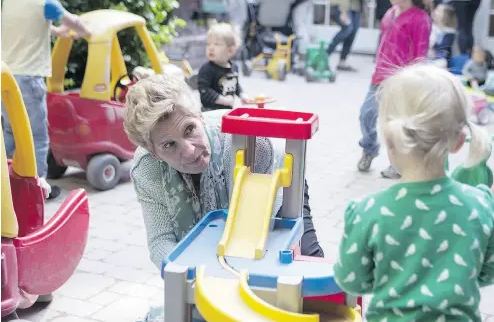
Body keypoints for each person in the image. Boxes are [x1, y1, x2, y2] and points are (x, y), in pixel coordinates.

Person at [125, 72, 324, 321]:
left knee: (308, 283)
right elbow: (160, 242)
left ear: (198, 115)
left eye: (189, 130)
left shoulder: (249, 145)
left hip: (280, 188)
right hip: (218, 218)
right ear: (153, 152)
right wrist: (191, 281)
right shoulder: (147, 168)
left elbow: (258, 235)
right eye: (169, 145)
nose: (188, 150)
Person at [334, 64, 494, 322]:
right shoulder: (480, 205)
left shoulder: (369, 211)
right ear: (457, 142)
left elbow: (351, 280)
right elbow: (488, 272)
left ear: (390, 140)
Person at [1, 0, 91, 198]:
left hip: (5, 78)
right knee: (37, 136)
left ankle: (5, 182)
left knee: (10, 132)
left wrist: (54, 32)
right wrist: (86, 31)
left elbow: (23, 25)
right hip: (29, 80)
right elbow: (72, 21)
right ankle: (37, 188)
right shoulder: (45, 2)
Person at [357, 0, 433, 179]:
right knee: (366, 114)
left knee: (398, 126)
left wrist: (417, 83)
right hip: (379, 77)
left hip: (402, 82)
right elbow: (384, 44)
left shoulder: (420, 19)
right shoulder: (391, 12)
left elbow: (420, 54)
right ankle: (369, 149)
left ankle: (399, 164)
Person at [197, 23, 252, 111]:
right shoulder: (207, 69)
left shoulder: (234, 67)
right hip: (210, 110)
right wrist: (222, 100)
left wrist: (242, 94)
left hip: (227, 110)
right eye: (208, 44)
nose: (211, 48)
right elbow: (204, 90)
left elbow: (235, 84)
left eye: (217, 44)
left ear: (230, 51)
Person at [429, 3, 457, 68]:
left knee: (441, 63)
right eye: (436, 9)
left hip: (439, 60)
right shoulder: (430, 27)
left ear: (446, 16)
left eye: (439, 11)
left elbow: (444, 49)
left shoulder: (449, 32)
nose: (435, 11)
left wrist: (433, 45)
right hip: (427, 58)